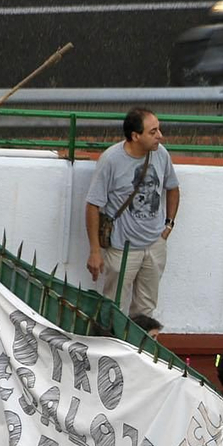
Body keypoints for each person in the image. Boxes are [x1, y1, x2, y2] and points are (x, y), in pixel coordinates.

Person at [86, 109, 181, 319]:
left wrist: (168, 226)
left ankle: (139, 349)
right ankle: (110, 347)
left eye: (159, 129)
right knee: (113, 307)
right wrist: (94, 251)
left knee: (146, 309)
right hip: (122, 248)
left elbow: (172, 188)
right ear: (135, 136)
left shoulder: (161, 153)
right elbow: (93, 205)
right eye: (153, 131)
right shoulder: (111, 160)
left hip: (154, 244)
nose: (160, 136)